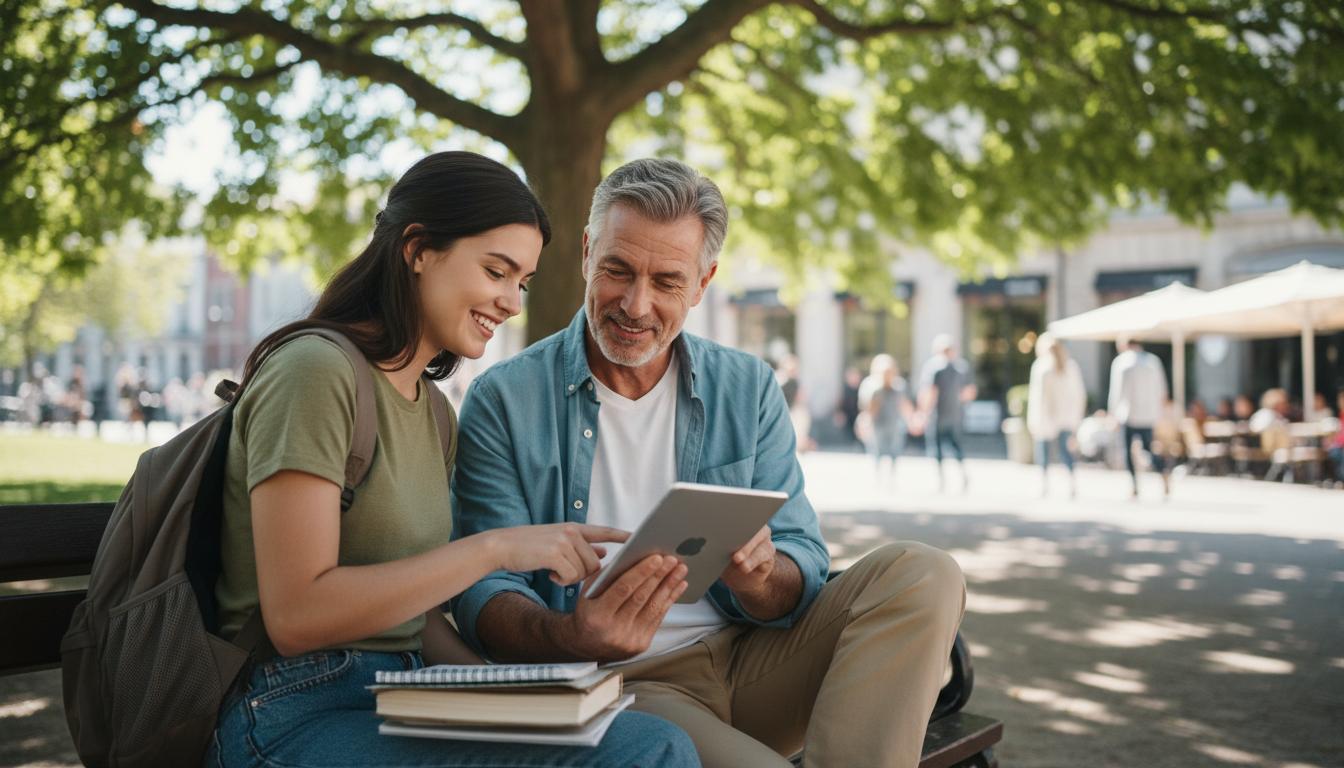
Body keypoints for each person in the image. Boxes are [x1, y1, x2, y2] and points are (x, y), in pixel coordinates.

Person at [451, 158, 966, 768]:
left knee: (924, 572)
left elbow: (802, 561)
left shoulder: (746, 387)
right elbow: (484, 594)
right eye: (618, 270)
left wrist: (760, 577)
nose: (636, 305)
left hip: (754, 658)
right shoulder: (505, 399)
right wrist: (573, 637)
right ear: (588, 253)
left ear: (702, 282)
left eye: (667, 281)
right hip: (626, 687)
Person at [207, 152, 699, 768]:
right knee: (643, 756)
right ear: (417, 249)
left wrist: (520, 697)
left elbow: (415, 619)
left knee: (646, 743)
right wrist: (494, 550)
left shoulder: (433, 410)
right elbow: (296, 616)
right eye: (497, 271)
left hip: (398, 693)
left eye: (523, 283)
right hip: (289, 714)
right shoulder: (315, 372)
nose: (513, 303)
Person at [1026, 333, 1087, 498]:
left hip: (1046, 418)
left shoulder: (1041, 367)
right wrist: (1076, 419)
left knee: (1044, 453)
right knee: (1065, 452)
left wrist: (1033, 420)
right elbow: (1079, 395)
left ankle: (1044, 484)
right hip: (1066, 418)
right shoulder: (1070, 366)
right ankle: (1071, 483)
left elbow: (1037, 397)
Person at [1108, 338, 1170, 498]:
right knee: (1148, 449)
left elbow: (1117, 392)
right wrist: (1160, 415)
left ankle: (1134, 486)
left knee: (1128, 452)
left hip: (1128, 414)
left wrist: (1113, 414)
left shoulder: (1122, 363)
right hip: (1148, 415)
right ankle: (1163, 471)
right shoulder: (1153, 362)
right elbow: (1162, 391)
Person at [917, 334, 976, 492]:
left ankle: (940, 480)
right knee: (957, 447)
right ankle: (962, 475)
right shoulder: (962, 367)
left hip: (937, 415)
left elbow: (930, 392)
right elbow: (970, 392)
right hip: (955, 415)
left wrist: (923, 412)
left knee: (936, 449)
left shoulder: (934, 367)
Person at [858, 354, 913, 487]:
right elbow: (867, 407)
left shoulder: (898, 385)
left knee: (895, 450)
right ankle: (878, 477)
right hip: (878, 423)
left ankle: (891, 477)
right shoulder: (872, 386)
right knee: (876, 450)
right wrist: (865, 422)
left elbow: (904, 404)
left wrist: (911, 419)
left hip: (894, 422)